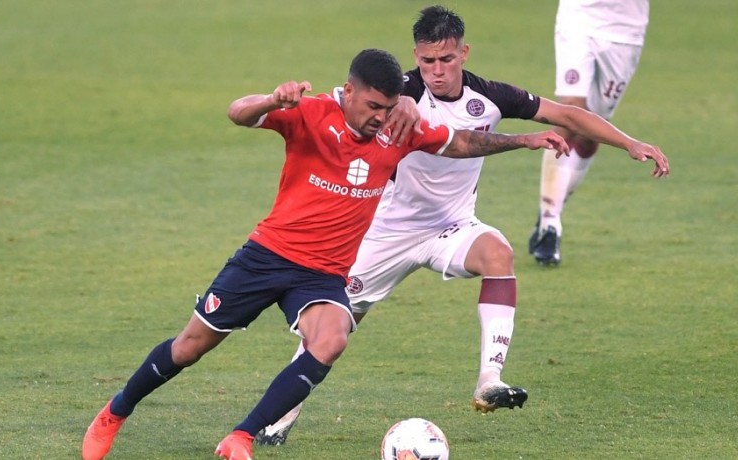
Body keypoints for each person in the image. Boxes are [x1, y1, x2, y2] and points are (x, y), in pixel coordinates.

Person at [80, 48, 569, 460]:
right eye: (373, 106)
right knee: (189, 347)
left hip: (322, 275)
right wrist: (271, 99)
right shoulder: (311, 113)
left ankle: (241, 436)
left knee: (332, 339)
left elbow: (460, 142)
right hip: (266, 257)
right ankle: (116, 411)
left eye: (389, 106)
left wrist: (523, 139)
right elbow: (238, 112)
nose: (380, 117)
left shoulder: (399, 128)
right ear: (348, 92)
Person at [255, 5, 668, 446]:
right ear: (415, 56)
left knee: (499, 253)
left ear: (464, 53)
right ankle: (278, 419)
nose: (436, 71)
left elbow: (566, 116)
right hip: (385, 234)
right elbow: (360, 101)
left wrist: (628, 141)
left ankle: (489, 380)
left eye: (447, 60)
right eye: (427, 61)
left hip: (451, 227)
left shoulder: (489, 97)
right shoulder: (400, 94)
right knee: (330, 329)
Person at [529, 0, 651, 265]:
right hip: (579, 17)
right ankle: (550, 224)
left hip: (625, 31)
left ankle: (553, 204)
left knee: (591, 130)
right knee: (571, 111)